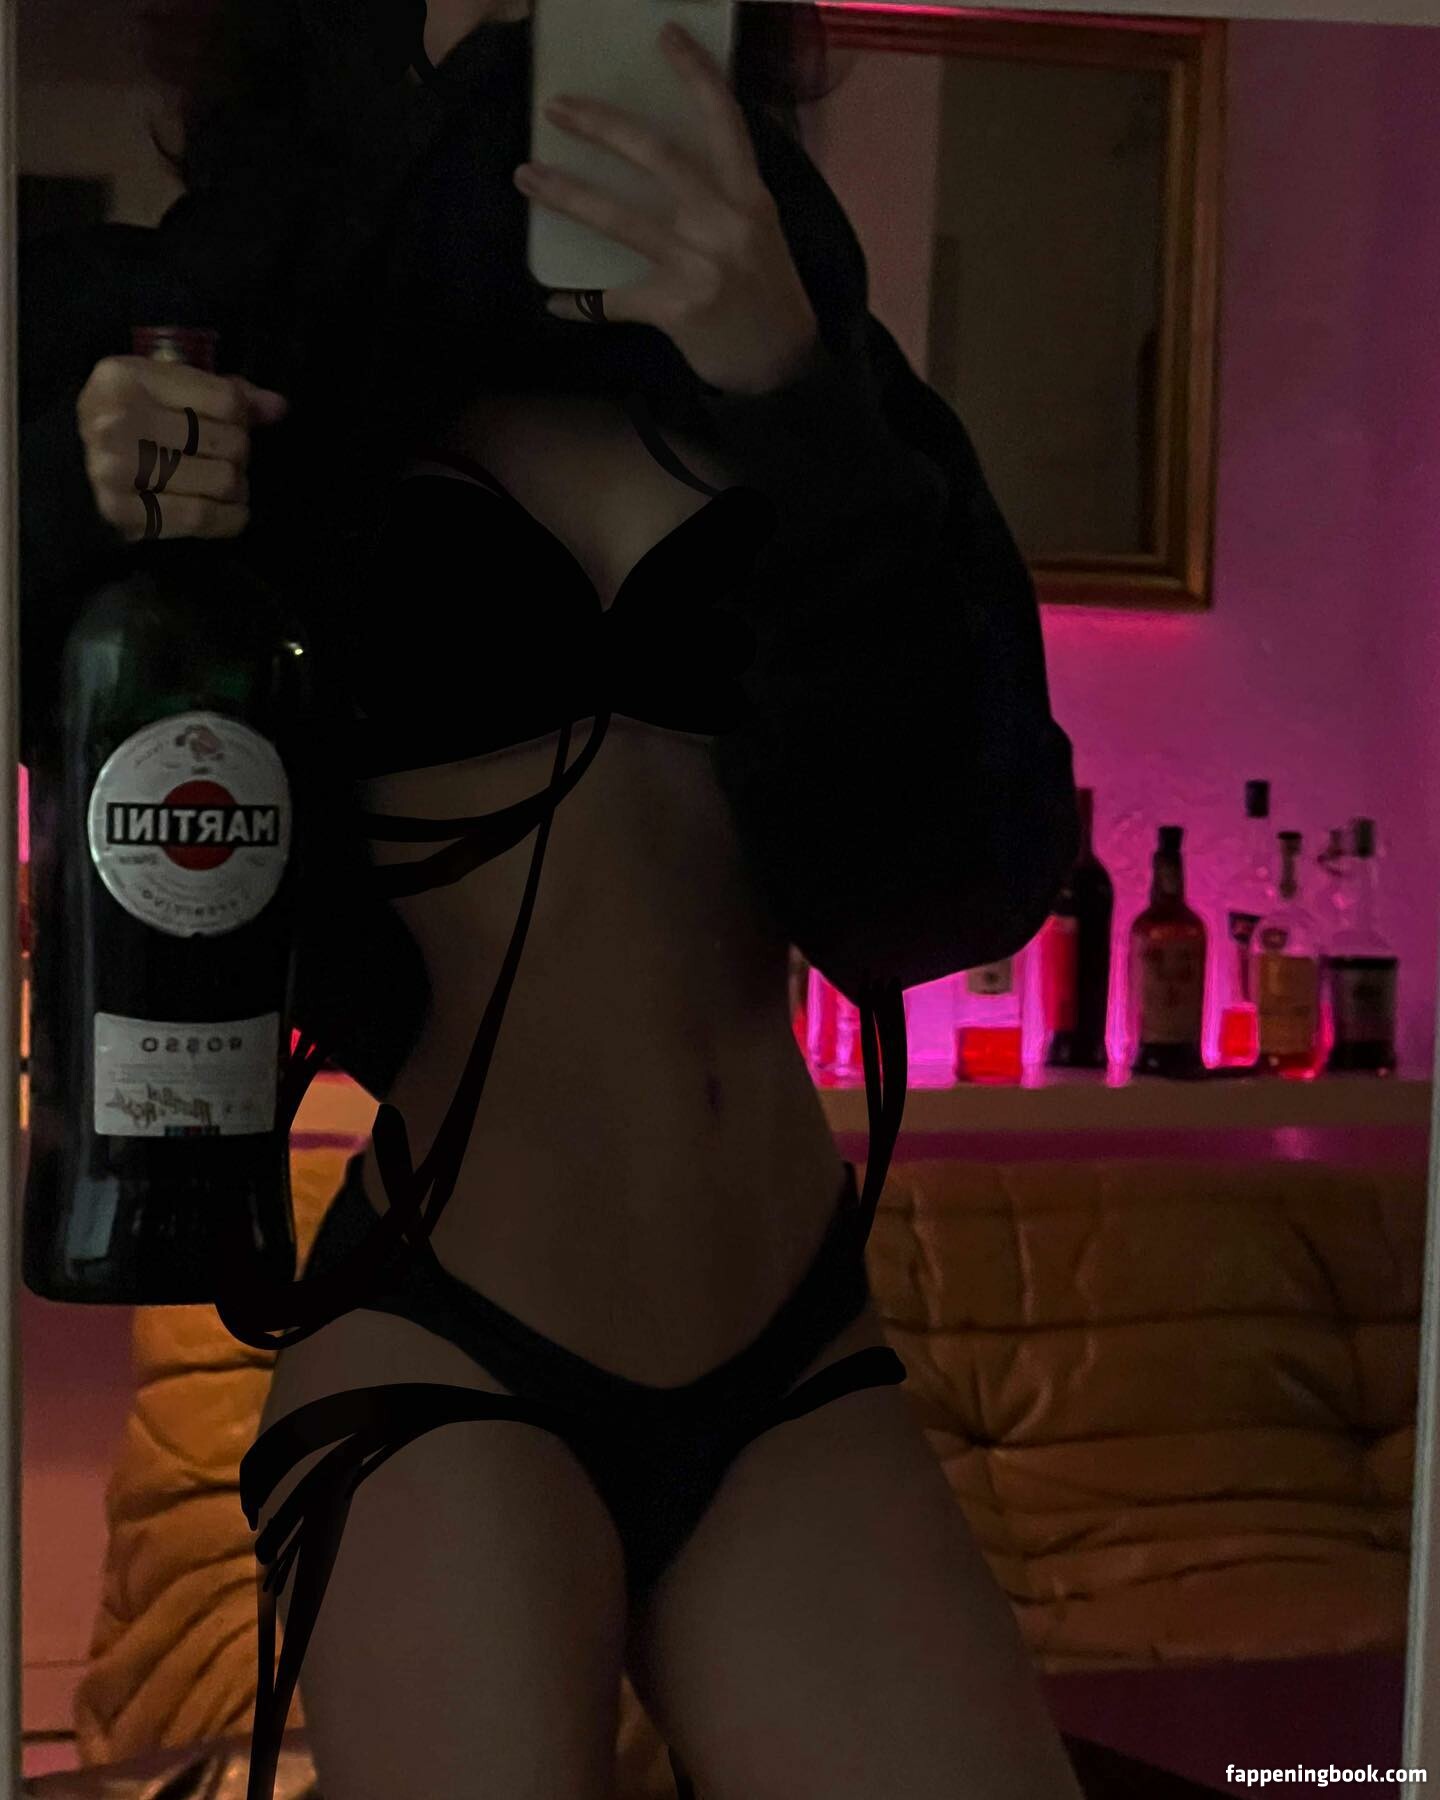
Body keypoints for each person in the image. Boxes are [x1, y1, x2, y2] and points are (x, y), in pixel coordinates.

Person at [18, 2, 1085, 1796]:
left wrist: (796, 391)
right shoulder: (267, 369)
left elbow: (949, 878)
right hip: (453, 1338)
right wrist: (70, 486)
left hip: (797, 1355)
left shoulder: (819, 381)